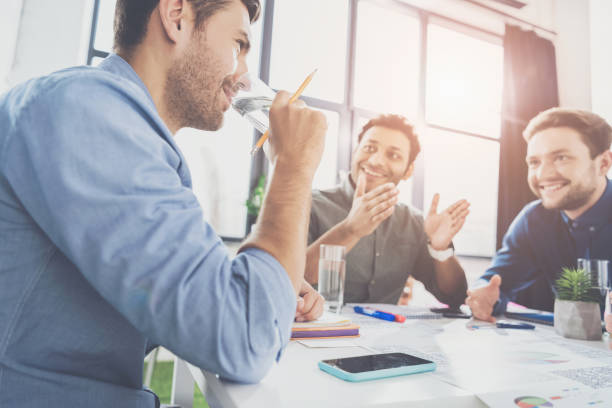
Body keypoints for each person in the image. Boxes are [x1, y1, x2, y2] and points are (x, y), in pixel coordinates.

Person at [0, 0, 328, 406]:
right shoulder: (89, 112)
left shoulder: (123, 131)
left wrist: (265, 289)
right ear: (176, 16)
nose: (243, 73)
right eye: (239, 44)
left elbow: (179, 305)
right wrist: (293, 168)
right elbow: (244, 339)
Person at [306, 114, 469, 306]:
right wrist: (349, 230)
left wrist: (440, 249)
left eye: (393, 155)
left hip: (386, 333)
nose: (375, 161)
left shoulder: (413, 222)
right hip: (315, 333)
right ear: (355, 151)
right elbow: (284, 279)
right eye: (369, 148)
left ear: (408, 171)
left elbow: (455, 296)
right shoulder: (310, 205)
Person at [466, 108, 612, 322]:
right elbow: (496, 282)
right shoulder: (534, 221)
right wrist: (483, 296)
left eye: (561, 157)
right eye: (534, 162)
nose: (543, 174)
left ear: (603, 163)